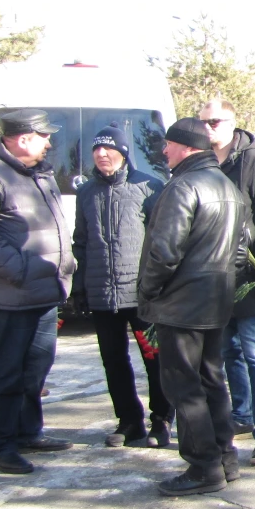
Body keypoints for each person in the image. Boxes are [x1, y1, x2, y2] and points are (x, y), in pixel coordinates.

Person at [137, 118, 249, 496]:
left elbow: (164, 251)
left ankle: (203, 467)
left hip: (181, 304)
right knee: (211, 380)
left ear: (185, 146)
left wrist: (149, 291)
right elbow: (240, 252)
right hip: (215, 301)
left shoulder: (183, 186)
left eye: (168, 144)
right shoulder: (228, 187)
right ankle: (225, 458)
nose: (163, 151)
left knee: (184, 386)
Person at [0, 109, 76, 474]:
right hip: (10, 295)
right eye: (43, 136)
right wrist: (19, 271)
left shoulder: (38, 171)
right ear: (22, 138)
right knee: (4, 371)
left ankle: (27, 432)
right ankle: (2, 445)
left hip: (44, 291)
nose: (49, 142)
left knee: (35, 368)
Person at [199, 98, 255, 467]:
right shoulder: (202, 162)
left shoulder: (254, 161)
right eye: (203, 121)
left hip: (250, 277)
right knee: (227, 352)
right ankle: (241, 414)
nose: (208, 128)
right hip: (213, 277)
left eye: (215, 121)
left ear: (232, 123)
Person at [72, 124, 171, 448]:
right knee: (113, 361)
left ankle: (161, 418)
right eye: (97, 149)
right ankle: (129, 421)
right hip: (102, 292)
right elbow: (81, 242)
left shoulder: (148, 187)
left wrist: (159, 284)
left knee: (154, 358)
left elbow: (162, 241)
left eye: (109, 148)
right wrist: (80, 287)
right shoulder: (86, 193)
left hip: (142, 293)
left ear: (123, 153)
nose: (102, 154)